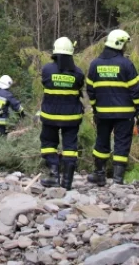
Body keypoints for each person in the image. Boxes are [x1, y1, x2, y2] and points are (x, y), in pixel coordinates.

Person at [86, 29, 139, 186]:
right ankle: (118, 179)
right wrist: (138, 111)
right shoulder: (127, 64)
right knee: (122, 144)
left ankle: (99, 174)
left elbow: (90, 91)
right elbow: (135, 91)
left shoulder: (95, 64)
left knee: (101, 143)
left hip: (103, 114)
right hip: (125, 115)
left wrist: (95, 109)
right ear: (120, 44)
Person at [39, 37, 85, 189]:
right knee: (70, 147)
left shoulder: (46, 70)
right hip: (71, 118)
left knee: (48, 144)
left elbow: (45, 82)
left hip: (50, 117)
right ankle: (67, 181)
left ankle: (53, 175)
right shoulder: (78, 73)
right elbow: (79, 87)